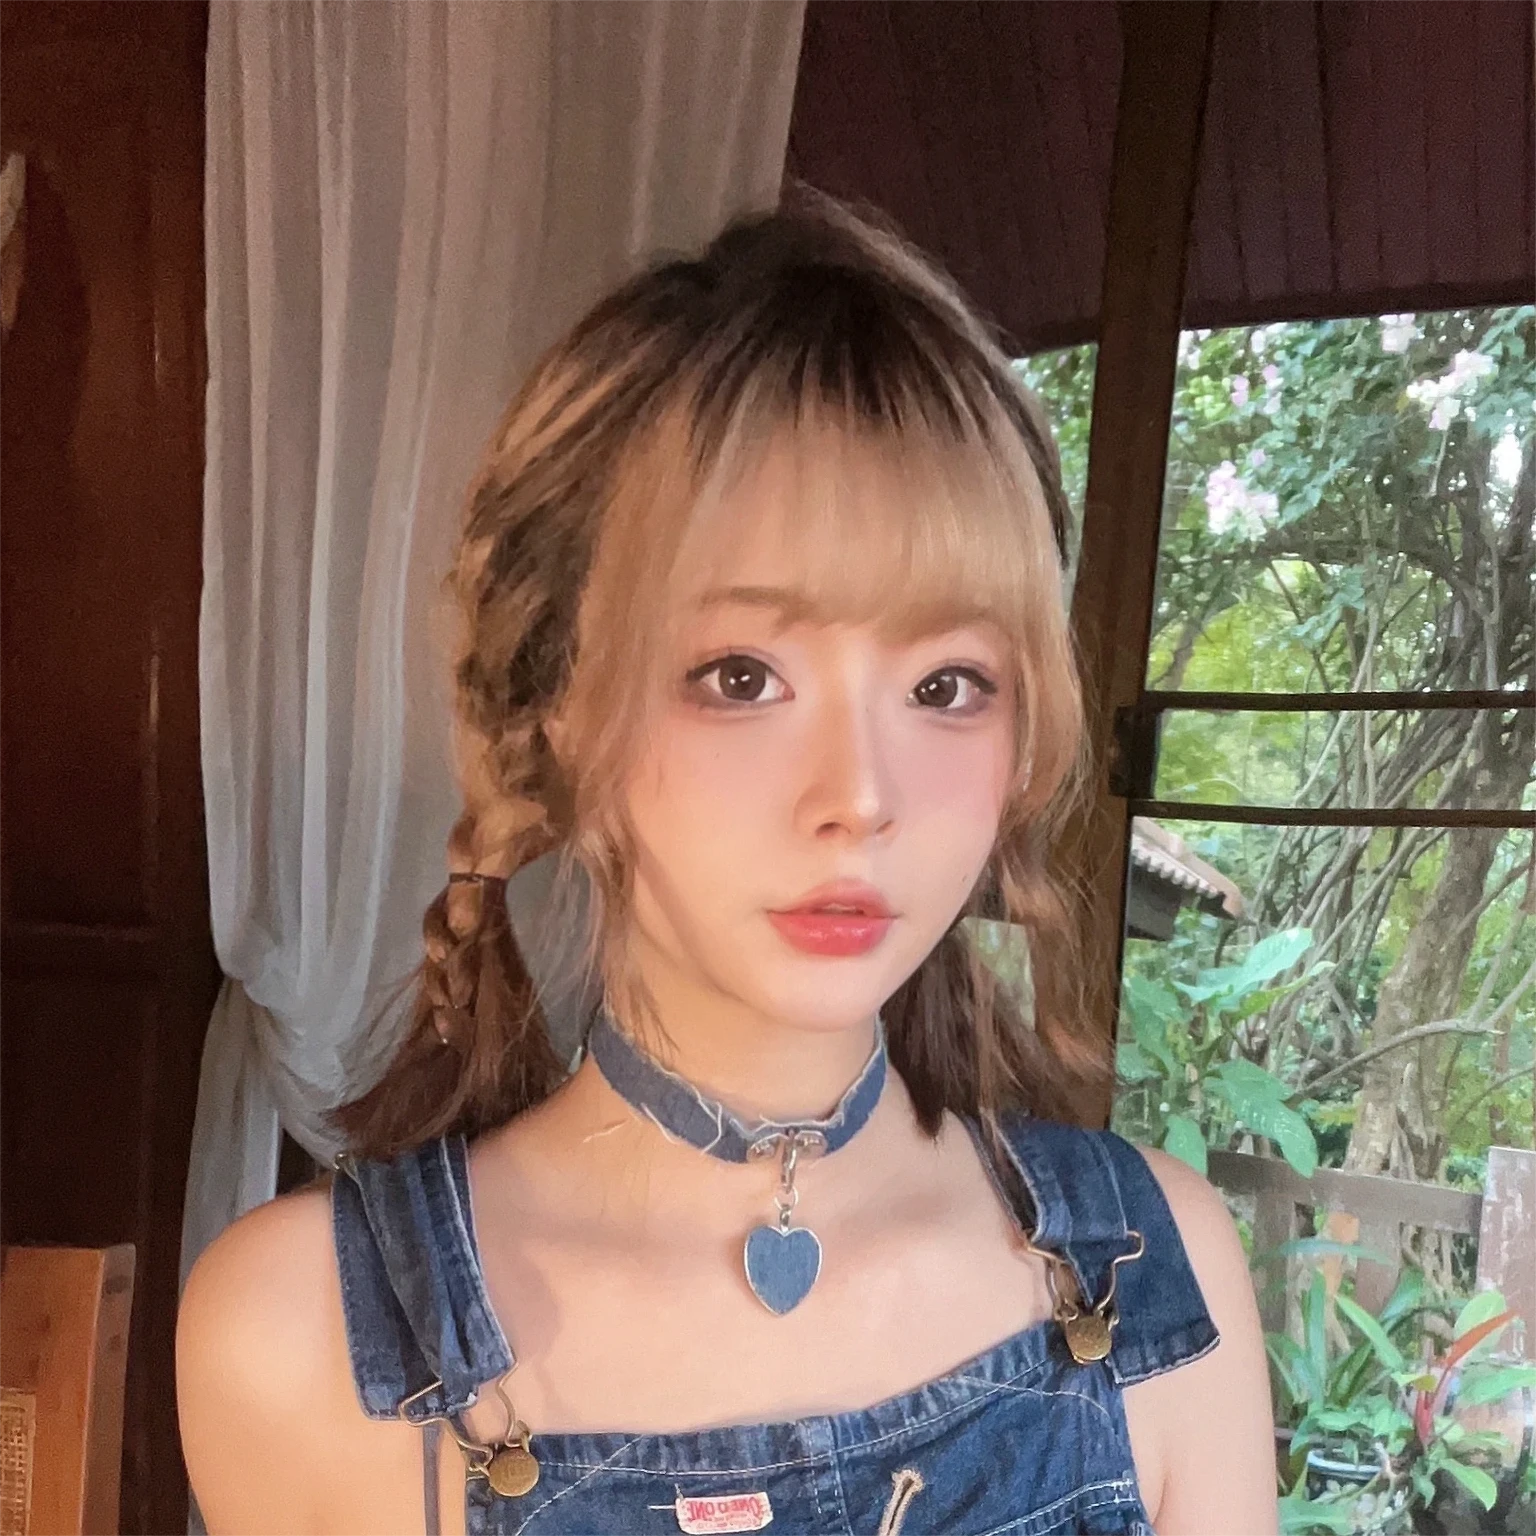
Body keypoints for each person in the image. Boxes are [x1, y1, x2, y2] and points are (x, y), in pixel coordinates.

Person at [177, 192, 1277, 1536]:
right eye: (741, 676)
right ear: (555, 708)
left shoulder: (1159, 1276)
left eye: (946, 684)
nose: (859, 797)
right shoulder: (302, 1335)